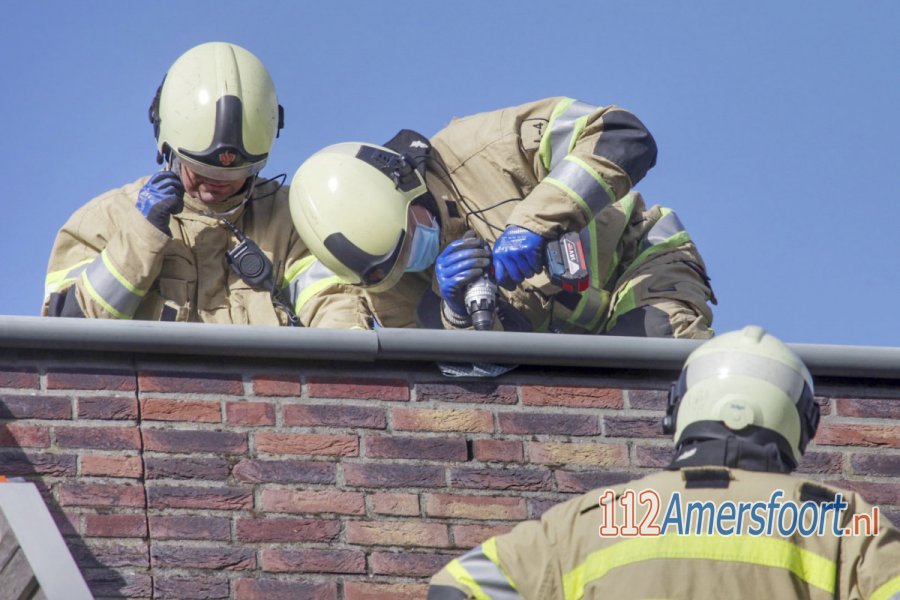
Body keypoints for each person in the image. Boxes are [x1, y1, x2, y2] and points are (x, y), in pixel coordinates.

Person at [427, 326, 900, 599]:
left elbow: (457, 588)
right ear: (802, 423)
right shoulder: (839, 523)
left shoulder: (591, 520)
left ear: (680, 409)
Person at [288, 97, 715, 336]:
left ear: (406, 186)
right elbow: (469, 378)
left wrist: (532, 225)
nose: (412, 264)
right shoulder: (386, 287)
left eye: (409, 242)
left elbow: (624, 135)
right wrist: (452, 314)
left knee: (655, 348)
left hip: (637, 260)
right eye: (396, 267)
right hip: (568, 339)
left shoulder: (483, 146)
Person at [43, 42, 362, 327]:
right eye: (200, 170)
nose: (218, 184)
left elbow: (337, 311)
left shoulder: (293, 222)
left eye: (236, 173)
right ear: (166, 147)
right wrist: (140, 237)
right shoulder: (104, 220)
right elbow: (66, 332)